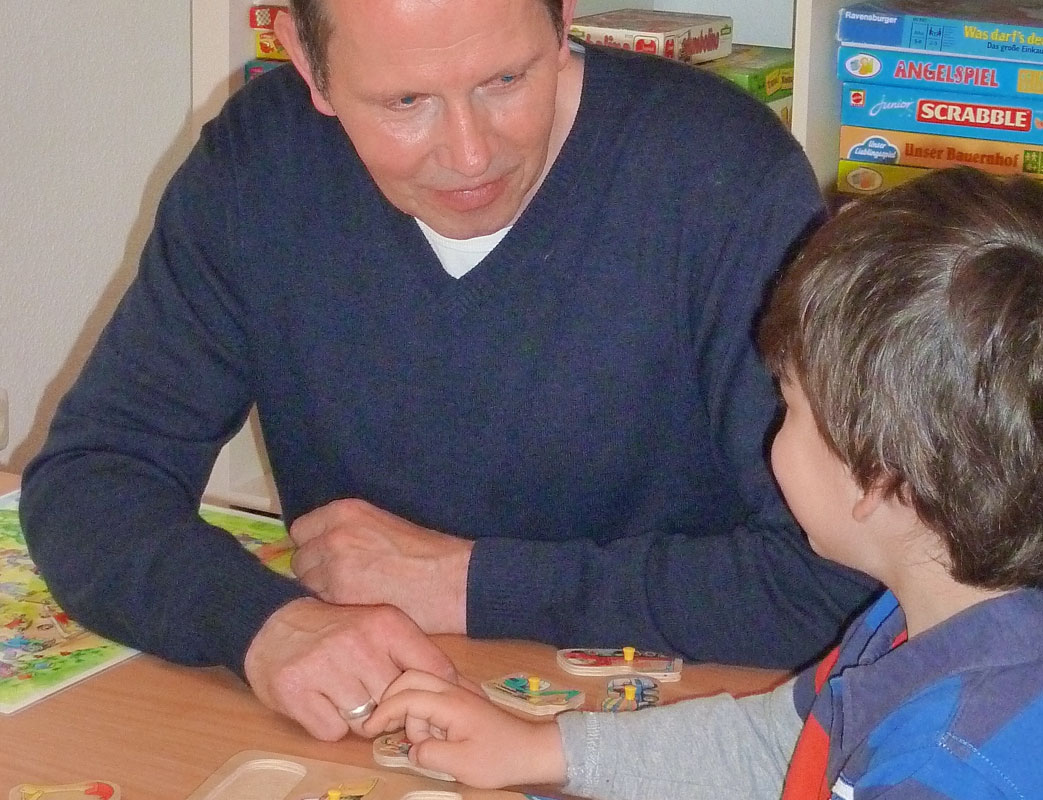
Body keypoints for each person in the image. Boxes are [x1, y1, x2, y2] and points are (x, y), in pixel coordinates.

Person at [19, 0, 876, 742]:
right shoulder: (260, 162)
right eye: (405, 102)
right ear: (306, 61)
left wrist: (470, 584)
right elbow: (93, 479)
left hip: (670, 726)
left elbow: (842, 580)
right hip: (381, 729)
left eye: (506, 80)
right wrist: (262, 626)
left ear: (563, 20)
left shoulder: (720, 174)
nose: (469, 155)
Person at [361, 167, 1043, 798]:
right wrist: (542, 750)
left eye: (788, 406)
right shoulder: (923, 619)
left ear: (878, 479)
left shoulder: (947, 769)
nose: (771, 433)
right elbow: (780, 748)